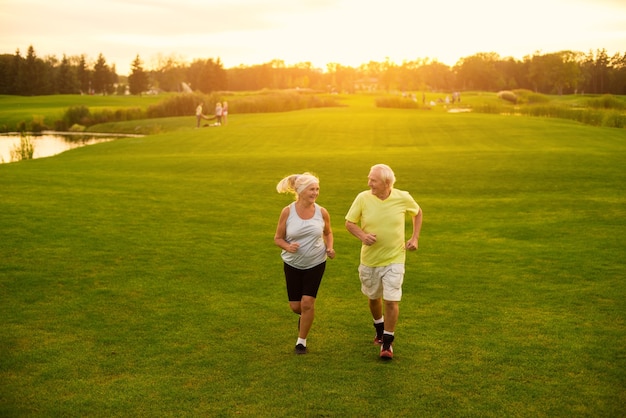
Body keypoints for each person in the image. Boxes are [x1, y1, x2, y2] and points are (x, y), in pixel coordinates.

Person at [345, 164, 422, 360]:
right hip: (370, 260)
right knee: (373, 298)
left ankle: (387, 343)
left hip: (395, 258)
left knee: (391, 299)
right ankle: (379, 327)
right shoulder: (363, 198)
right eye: (369, 178)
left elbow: (417, 212)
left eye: (373, 180)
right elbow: (349, 223)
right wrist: (362, 236)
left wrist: (414, 238)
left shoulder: (403, 197)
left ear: (386, 183)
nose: (369, 183)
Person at [274, 173, 335, 354]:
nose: (315, 193)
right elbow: (277, 238)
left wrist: (330, 247)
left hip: (316, 262)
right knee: (296, 306)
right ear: (300, 191)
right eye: (312, 189)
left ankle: (301, 342)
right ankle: (304, 316)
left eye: (317, 189)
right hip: (292, 263)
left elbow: (328, 232)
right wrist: (287, 246)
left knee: (307, 302)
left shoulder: (322, 212)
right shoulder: (288, 211)